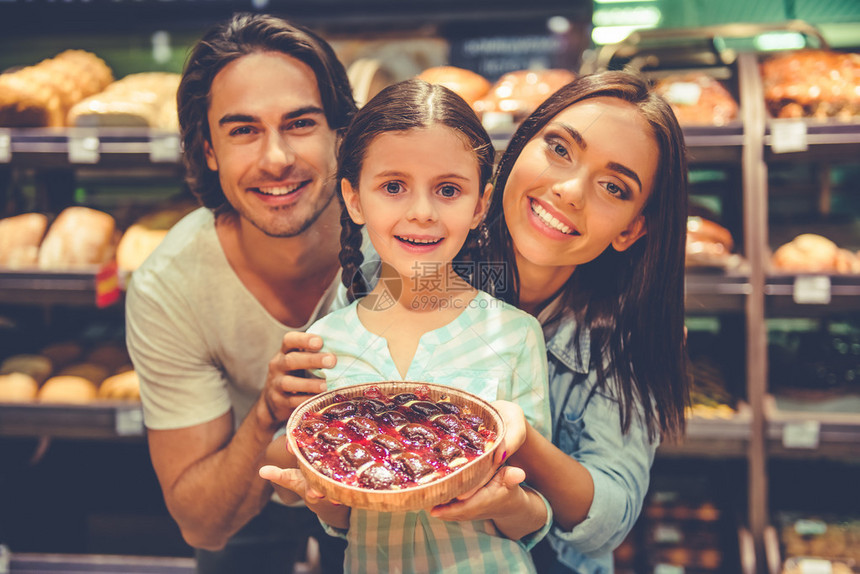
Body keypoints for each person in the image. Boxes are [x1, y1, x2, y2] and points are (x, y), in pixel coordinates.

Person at [260, 78, 554, 574]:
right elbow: (343, 519)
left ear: (480, 205)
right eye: (393, 186)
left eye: (448, 189)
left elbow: (534, 515)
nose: (422, 212)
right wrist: (316, 494)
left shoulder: (515, 333)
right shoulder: (326, 344)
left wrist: (500, 502)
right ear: (354, 200)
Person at [124, 12, 358, 574]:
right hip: (246, 467)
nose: (275, 158)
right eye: (243, 130)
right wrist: (267, 416)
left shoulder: (401, 240)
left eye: (300, 123)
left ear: (341, 134)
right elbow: (201, 522)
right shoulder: (169, 287)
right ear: (208, 149)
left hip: (380, 476)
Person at [431, 70, 691, 573]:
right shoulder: (410, 254)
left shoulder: (627, 335)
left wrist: (520, 441)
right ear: (520, 144)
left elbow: (610, 518)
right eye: (560, 149)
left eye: (614, 187)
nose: (571, 191)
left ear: (631, 229)